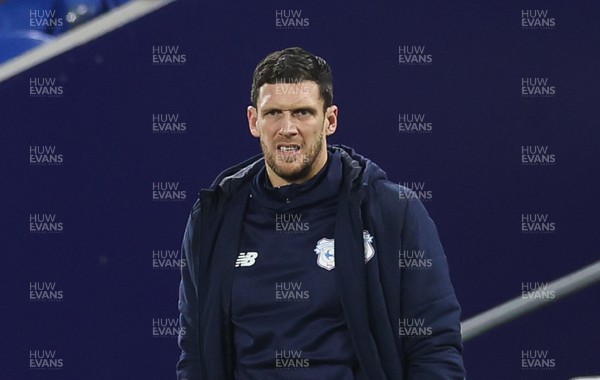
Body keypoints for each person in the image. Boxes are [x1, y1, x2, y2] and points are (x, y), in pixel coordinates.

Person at [176, 47, 465, 380]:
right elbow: (195, 353)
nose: (287, 128)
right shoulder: (213, 219)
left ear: (330, 120)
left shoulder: (391, 211)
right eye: (273, 114)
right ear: (254, 121)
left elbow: (434, 347)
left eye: (302, 112)